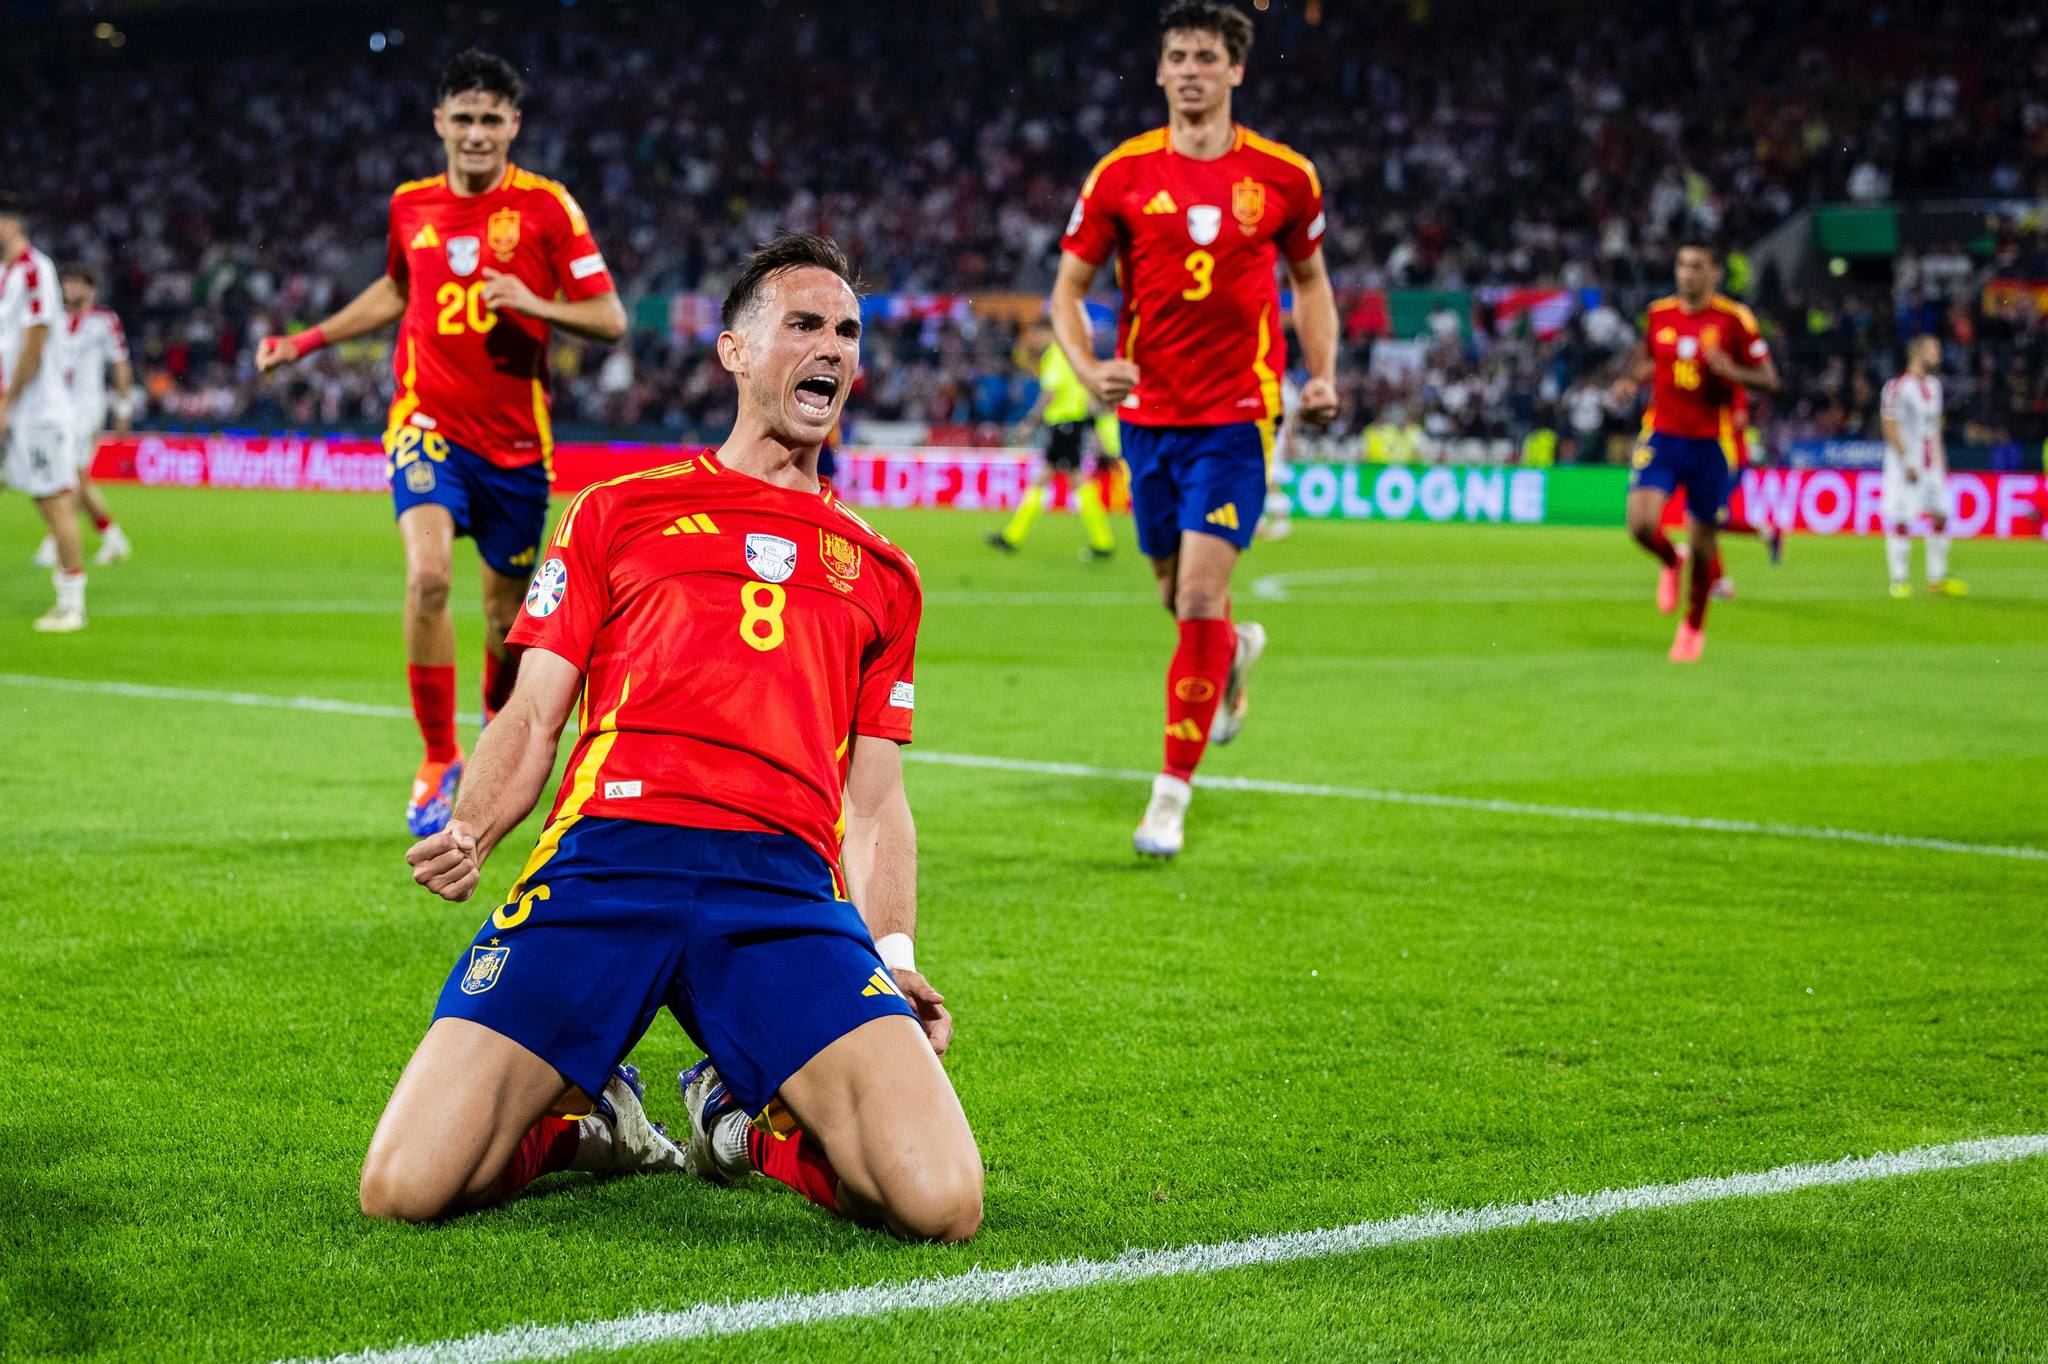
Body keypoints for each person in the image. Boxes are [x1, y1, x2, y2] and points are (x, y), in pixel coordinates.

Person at [366, 234, 982, 1243]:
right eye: (803, 324)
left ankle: (733, 1123)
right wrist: (474, 825)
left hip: (779, 888)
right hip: (606, 863)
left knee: (940, 1198)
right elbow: (530, 712)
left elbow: (871, 800)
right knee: (406, 1180)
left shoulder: (882, 571)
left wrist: (896, 952)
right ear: (734, 352)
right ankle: (591, 1120)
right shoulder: (616, 512)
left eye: (846, 332)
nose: (830, 347)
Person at [257, 49, 626, 836]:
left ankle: (499, 732)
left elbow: (610, 318)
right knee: (427, 579)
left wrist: (534, 300)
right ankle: (436, 755)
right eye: (463, 117)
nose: (477, 133)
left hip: (518, 449)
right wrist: (306, 342)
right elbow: (397, 288)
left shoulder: (548, 210)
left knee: (504, 620)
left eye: (493, 118)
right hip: (426, 425)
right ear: (439, 123)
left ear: (514, 126)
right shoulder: (410, 207)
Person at [1049, 1, 1339, 857]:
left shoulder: (1285, 177)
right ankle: (1235, 654)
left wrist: (1321, 376)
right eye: (1176, 55)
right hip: (1148, 418)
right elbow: (1065, 290)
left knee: (1201, 596)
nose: (1189, 70)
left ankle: (1168, 797)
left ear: (1236, 70)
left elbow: (1312, 280)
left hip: (1240, 416)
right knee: (1178, 598)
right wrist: (1089, 366)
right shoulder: (1122, 175)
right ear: (1160, 69)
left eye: (1206, 57)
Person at [1612, 240, 1779, 662]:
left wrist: (1732, 371)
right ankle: (1671, 561)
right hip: (1662, 433)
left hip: (1711, 441)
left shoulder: (1734, 319)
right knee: (1640, 525)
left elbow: (1769, 379)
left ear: (1713, 273)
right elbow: (1655, 360)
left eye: (1697, 266)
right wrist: (1632, 382)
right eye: (1682, 264)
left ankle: (1692, 627)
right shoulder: (1658, 313)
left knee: (1704, 543)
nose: (1686, 273)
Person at [0, 193, 87, 632]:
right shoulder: (6, 273)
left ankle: (72, 604)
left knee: (53, 502)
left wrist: (7, 399)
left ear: (8, 225)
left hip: (38, 410)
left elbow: (35, 339)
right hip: (13, 406)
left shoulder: (36, 271)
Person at [988, 318, 1116, 557]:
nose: (1034, 340)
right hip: (1068, 424)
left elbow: (1050, 393)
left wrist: (1030, 422)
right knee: (1050, 478)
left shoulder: (1056, 354)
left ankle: (1103, 541)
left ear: (1046, 331)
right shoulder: (1069, 353)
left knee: (1073, 479)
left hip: (1065, 424)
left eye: (1036, 334)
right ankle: (1013, 536)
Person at [34, 264, 133, 568]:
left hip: (88, 407)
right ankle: (113, 538)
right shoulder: (54, 319)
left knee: (70, 475)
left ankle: (56, 539)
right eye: (67, 283)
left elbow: (119, 363)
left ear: (91, 289)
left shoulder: (105, 321)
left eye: (78, 283)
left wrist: (123, 407)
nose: (71, 289)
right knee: (77, 478)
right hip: (56, 406)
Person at [1881, 334, 1967, 597]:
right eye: (1933, 350)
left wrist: (1941, 460)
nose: (1938, 355)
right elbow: (1889, 425)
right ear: (1917, 353)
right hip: (1905, 464)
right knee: (1902, 518)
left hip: (1932, 465)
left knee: (1941, 514)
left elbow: (1934, 427)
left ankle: (1936, 580)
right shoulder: (1897, 386)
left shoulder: (1934, 386)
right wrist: (1906, 458)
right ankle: (1899, 580)